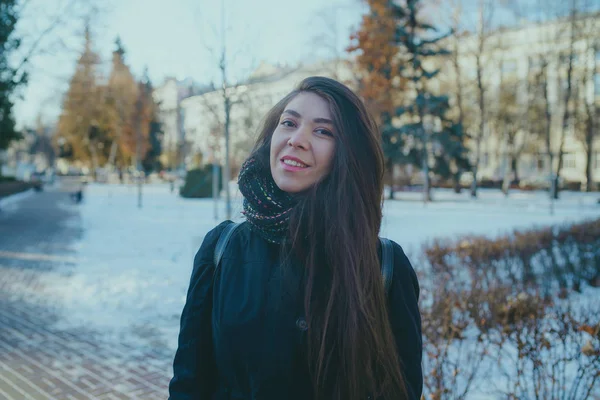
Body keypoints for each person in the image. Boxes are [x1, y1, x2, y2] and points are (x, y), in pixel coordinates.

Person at [168, 76, 422, 400]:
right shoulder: (222, 249)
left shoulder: (384, 267)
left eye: (322, 131)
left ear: (346, 154)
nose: (297, 139)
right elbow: (189, 385)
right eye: (289, 123)